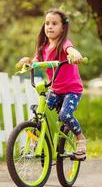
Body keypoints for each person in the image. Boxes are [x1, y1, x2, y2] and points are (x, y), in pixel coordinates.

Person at [16, 8, 86, 159]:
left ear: (63, 27)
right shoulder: (43, 48)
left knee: (65, 115)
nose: (49, 27)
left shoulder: (65, 44)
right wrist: (27, 62)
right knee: (38, 114)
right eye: (47, 23)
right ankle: (33, 143)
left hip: (72, 90)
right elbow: (35, 62)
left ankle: (80, 139)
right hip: (55, 89)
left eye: (54, 23)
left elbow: (71, 50)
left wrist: (74, 54)